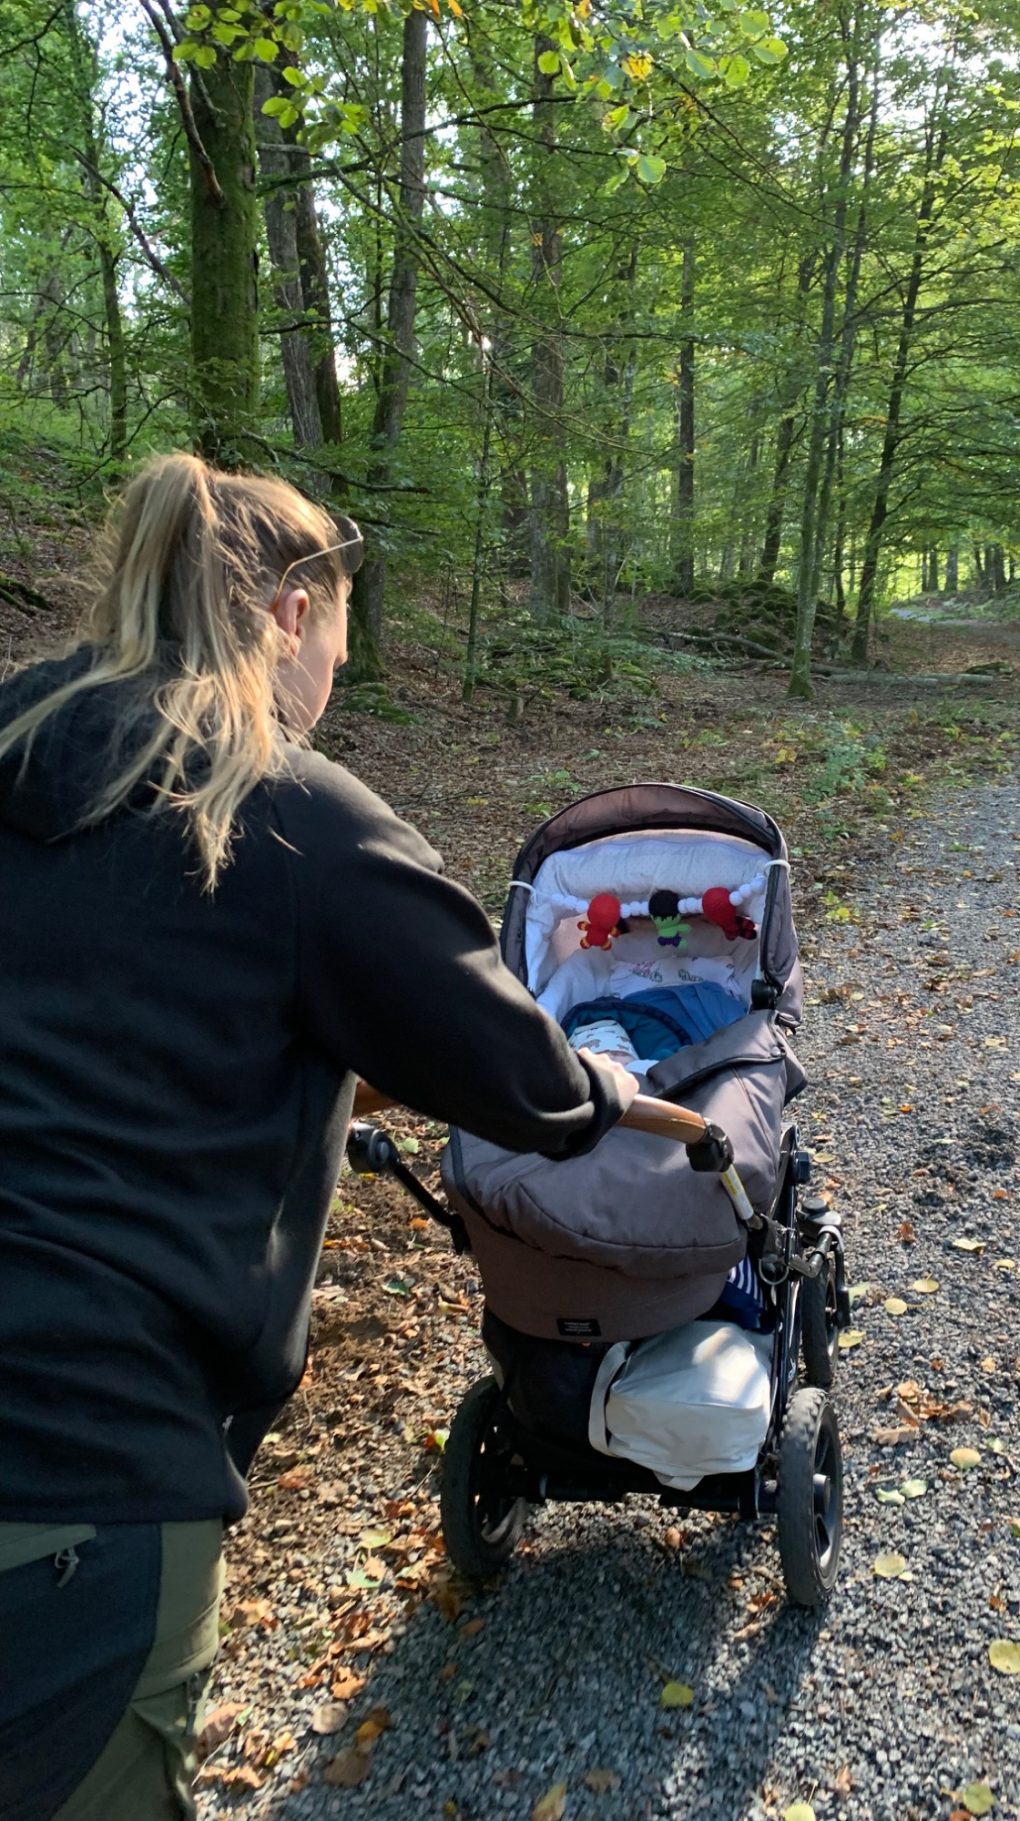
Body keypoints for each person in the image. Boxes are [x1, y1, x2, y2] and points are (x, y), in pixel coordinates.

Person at [0, 452, 637, 1821]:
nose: (329, 686)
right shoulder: (282, 817)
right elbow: (516, 1073)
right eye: (336, 648)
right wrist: (602, 1090)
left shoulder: (9, 751)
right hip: (75, 1469)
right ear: (291, 612)